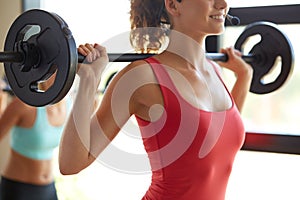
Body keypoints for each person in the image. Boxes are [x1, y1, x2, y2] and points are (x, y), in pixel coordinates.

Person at [59, 0, 253, 199]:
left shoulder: (215, 71)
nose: (223, 3)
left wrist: (244, 78)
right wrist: (89, 81)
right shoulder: (141, 77)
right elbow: (71, 163)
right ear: (173, 5)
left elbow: (217, 136)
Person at [0, 74, 70, 200]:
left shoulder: (68, 105)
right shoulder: (23, 105)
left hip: (49, 189)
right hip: (19, 190)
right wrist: (1, 100)